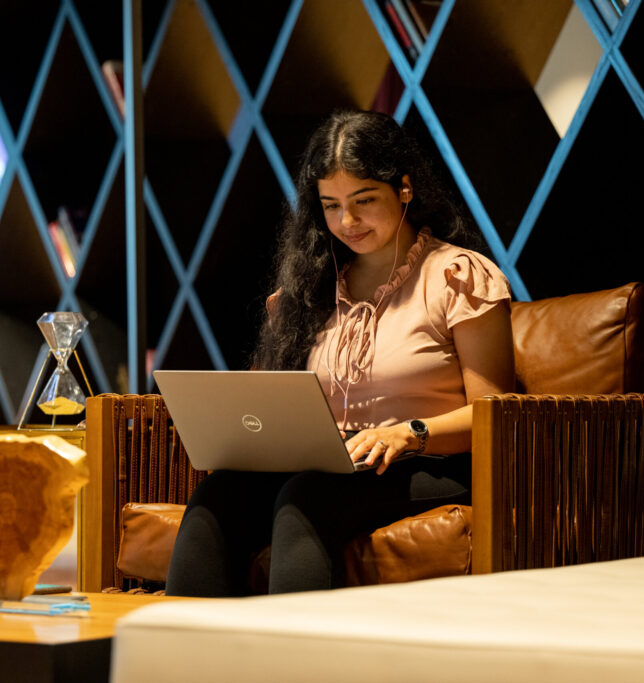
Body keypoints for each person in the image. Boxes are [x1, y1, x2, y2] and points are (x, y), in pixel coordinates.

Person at [165, 109, 515, 597]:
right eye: (330, 205)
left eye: (364, 200)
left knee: (307, 497)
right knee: (216, 497)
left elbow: (494, 412)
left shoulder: (457, 275)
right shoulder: (309, 289)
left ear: (405, 189)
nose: (346, 222)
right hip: (336, 461)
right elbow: (268, 395)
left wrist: (409, 435)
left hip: (430, 460)